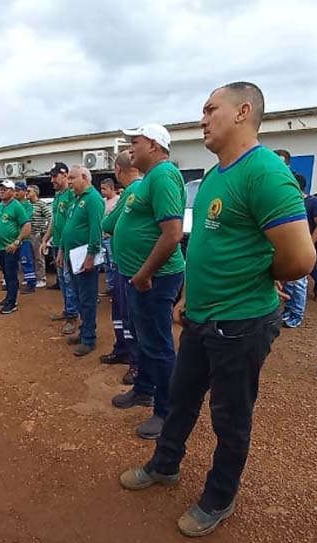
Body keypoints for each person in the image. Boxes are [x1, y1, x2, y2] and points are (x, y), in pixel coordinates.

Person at [120, 82, 316, 537]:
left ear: (243, 112)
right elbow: (209, 245)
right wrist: (190, 297)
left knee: (230, 416)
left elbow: (302, 259)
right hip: (203, 317)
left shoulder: (264, 172)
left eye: (211, 109)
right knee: (183, 397)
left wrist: (264, 276)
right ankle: (165, 465)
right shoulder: (216, 174)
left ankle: (219, 496)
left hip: (242, 322)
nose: (203, 118)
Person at [105, 124, 186, 438]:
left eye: (135, 142)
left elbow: (172, 234)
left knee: (159, 344)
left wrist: (144, 274)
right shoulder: (149, 180)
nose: (130, 149)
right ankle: (144, 389)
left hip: (156, 278)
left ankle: (165, 412)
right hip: (140, 276)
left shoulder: (163, 176)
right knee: (144, 339)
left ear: (153, 145)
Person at [100, 151, 142, 386]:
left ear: (117, 169)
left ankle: (137, 363)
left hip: (132, 266)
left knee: (131, 316)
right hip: (122, 264)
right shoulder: (133, 192)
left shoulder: (133, 192)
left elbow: (107, 224)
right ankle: (123, 348)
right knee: (120, 312)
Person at [56, 166, 103, 355]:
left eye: (72, 178)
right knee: (77, 296)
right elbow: (68, 226)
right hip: (71, 256)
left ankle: (89, 338)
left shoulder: (93, 199)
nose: (69, 182)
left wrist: (91, 255)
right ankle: (84, 331)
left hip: (84, 257)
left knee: (87, 299)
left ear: (84, 177)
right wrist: (61, 249)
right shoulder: (77, 199)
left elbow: (96, 229)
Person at [281, 174, 317, 328]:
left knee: (299, 282)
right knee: (288, 281)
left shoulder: (314, 202)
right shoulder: (288, 202)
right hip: (286, 247)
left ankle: (296, 315)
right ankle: (288, 311)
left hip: (301, 247)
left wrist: (308, 244)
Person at [40, 162, 79, 335]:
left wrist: (63, 245)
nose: (52, 180)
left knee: (69, 280)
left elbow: (72, 222)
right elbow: (55, 221)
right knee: (63, 280)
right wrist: (45, 239)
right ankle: (68, 309)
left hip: (69, 246)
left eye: (55, 176)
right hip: (57, 244)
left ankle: (73, 316)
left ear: (65, 174)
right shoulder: (58, 197)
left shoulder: (72, 195)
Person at [0, 180, 31, 315]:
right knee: (6, 274)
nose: (2, 191)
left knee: (11, 275)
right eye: (0, 189)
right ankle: (8, 298)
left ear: (12, 192)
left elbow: (26, 225)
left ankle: (12, 302)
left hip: (10, 248)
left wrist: (17, 242)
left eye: (5, 189)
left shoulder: (17, 206)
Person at [14, 182, 37, 294]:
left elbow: (25, 219)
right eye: (15, 190)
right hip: (12, 238)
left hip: (24, 238)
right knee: (13, 261)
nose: (16, 192)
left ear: (24, 192)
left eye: (18, 190)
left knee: (26, 260)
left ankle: (31, 283)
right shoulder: (12, 204)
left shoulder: (28, 205)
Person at [100, 177, 120, 296]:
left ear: (112, 188)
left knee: (113, 263)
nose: (102, 191)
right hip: (102, 237)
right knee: (106, 264)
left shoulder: (118, 200)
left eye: (104, 188)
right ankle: (110, 287)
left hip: (111, 237)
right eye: (101, 189)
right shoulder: (102, 201)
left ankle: (116, 289)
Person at [28, 185, 51, 288]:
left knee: (38, 257)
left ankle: (41, 278)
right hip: (28, 234)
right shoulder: (28, 205)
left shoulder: (41, 204)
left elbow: (50, 218)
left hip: (37, 234)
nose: (27, 193)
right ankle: (32, 277)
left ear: (35, 192)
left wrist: (45, 232)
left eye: (29, 191)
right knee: (30, 257)